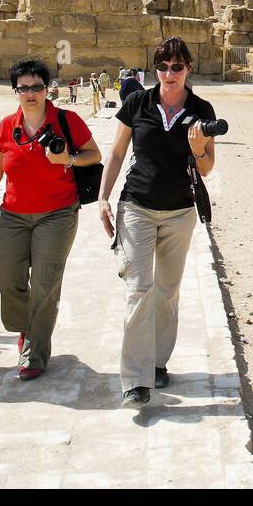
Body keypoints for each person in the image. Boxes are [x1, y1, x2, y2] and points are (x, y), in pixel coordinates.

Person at [99, 38, 217, 408]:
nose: (169, 74)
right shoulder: (138, 103)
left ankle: (157, 362)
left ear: (188, 69)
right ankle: (135, 379)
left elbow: (208, 167)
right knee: (139, 288)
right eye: (163, 67)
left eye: (176, 67)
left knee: (167, 292)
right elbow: (117, 152)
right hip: (137, 206)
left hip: (180, 211)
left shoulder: (201, 109)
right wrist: (103, 197)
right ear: (155, 70)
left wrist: (198, 147)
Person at [0, 59, 102, 380]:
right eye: (23, 88)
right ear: (15, 91)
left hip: (57, 213)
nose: (30, 94)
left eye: (37, 87)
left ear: (48, 88)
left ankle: (35, 352)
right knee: (4, 277)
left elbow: (93, 155)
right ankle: (25, 326)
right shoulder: (6, 126)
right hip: (13, 214)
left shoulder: (66, 121)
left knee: (45, 283)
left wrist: (67, 158)